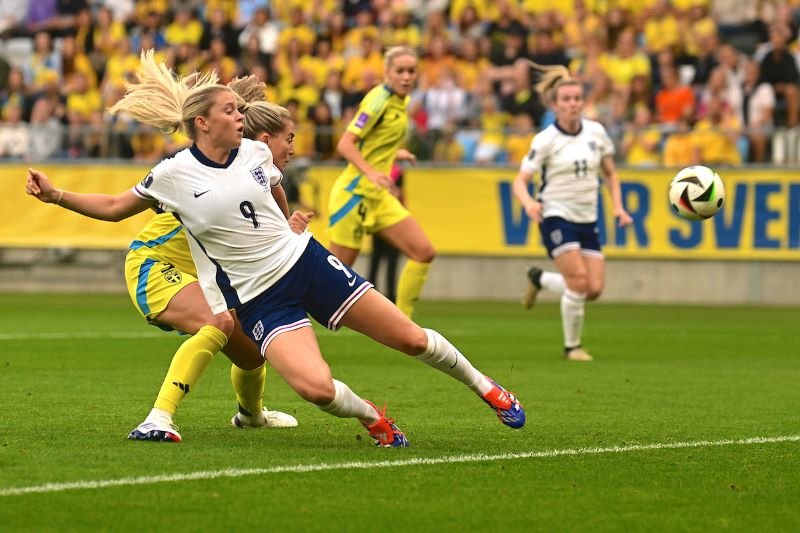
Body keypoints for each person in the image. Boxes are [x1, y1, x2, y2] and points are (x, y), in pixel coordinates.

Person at [26, 50, 525, 448]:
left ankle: (488, 388)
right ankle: (374, 416)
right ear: (202, 123)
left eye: (239, 110)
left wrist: (289, 222)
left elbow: (273, 185)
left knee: (412, 340)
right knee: (316, 390)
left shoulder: (256, 151)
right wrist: (57, 196)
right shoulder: (174, 174)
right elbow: (115, 205)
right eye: (229, 111)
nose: (239, 117)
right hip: (262, 298)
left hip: (306, 264)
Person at [26, 76, 304, 443]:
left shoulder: (261, 176)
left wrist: (291, 232)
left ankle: (251, 415)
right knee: (218, 322)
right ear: (264, 141)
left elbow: (275, 238)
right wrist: (57, 194)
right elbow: (114, 207)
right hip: (154, 265)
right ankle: (157, 418)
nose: (294, 149)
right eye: (289, 139)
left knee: (253, 354)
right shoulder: (186, 171)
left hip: (208, 279)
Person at [512, 62, 633, 362]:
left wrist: (618, 206)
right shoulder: (545, 140)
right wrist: (529, 203)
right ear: (555, 105)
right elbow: (520, 181)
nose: (573, 104)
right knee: (578, 282)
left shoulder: (596, 133)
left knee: (593, 289)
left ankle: (540, 280)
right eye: (566, 100)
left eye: (577, 98)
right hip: (555, 214)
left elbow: (611, 174)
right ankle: (572, 348)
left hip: (588, 217)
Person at [328, 46, 434, 319]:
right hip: (354, 195)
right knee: (332, 277)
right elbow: (346, 144)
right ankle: (284, 316)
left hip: (378, 196)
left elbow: (371, 143)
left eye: (411, 71)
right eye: (400, 71)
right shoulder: (378, 101)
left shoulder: (402, 102)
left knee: (423, 251)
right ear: (387, 73)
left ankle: (405, 321)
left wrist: (394, 154)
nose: (407, 76)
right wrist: (372, 172)